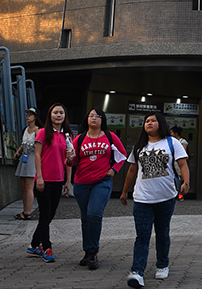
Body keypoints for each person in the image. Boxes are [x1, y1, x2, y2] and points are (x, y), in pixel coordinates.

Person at [120, 111, 190, 288]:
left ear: (161, 123)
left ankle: (162, 264)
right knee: (142, 236)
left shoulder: (172, 142)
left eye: (153, 120)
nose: (149, 123)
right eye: (146, 121)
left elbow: (183, 164)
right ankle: (137, 271)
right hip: (142, 198)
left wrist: (186, 182)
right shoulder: (139, 146)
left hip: (166, 197)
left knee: (162, 233)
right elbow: (132, 170)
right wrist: (124, 191)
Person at [71, 109, 127, 270]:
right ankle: (87, 252)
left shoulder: (110, 136)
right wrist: (68, 157)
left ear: (103, 120)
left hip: (102, 182)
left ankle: (93, 251)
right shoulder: (80, 139)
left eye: (98, 116)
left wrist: (114, 169)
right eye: (91, 116)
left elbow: (123, 154)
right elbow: (71, 161)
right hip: (81, 182)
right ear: (86, 119)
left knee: (94, 214)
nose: (94, 118)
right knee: (85, 218)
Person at [26, 104, 74, 262]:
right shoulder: (42, 132)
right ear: (50, 115)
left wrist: (68, 181)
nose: (58, 115)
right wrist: (39, 177)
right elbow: (37, 156)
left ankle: (34, 245)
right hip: (43, 181)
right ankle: (46, 247)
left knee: (50, 216)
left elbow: (68, 161)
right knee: (45, 214)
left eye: (61, 112)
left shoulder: (67, 136)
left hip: (58, 180)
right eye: (55, 112)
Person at [13, 107, 40, 219]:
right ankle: (25, 210)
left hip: (32, 158)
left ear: (35, 117)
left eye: (30, 114)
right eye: (27, 114)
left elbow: (40, 147)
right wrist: (18, 152)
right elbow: (23, 143)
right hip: (24, 158)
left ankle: (27, 212)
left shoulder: (38, 131)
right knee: (23, 186)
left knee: (29, 186)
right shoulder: (25, 129)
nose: (27, 117)